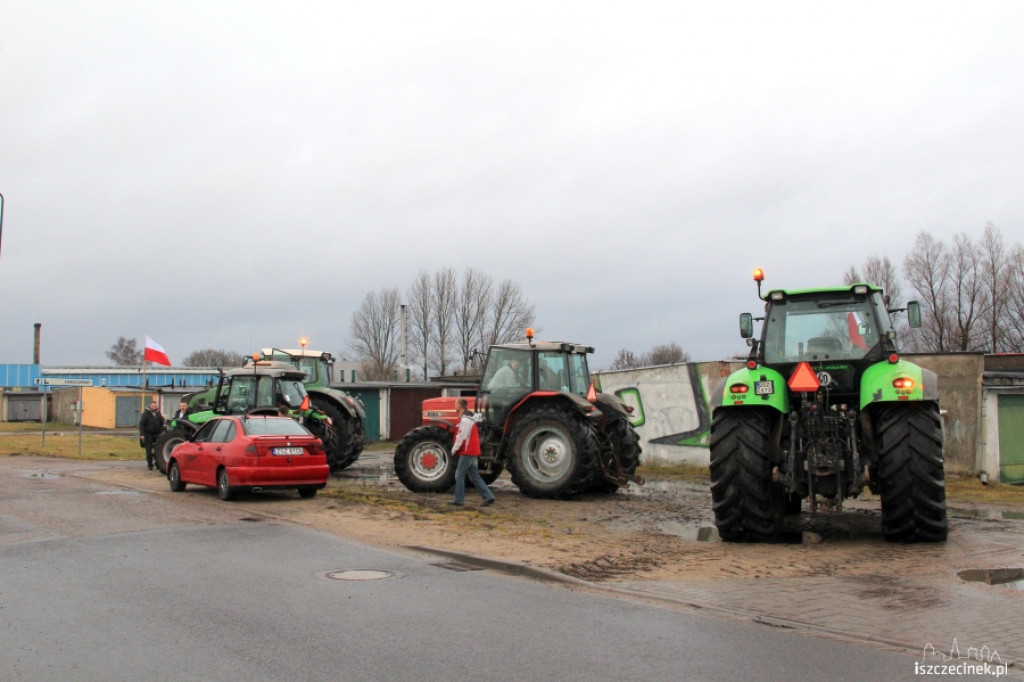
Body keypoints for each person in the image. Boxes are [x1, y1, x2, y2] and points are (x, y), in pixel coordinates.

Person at [448, 398, 495, 508]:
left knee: (459, 475)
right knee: (475, 476)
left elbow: (461, 438)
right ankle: (488, 497)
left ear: (460, 406)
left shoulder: (465, 421)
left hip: (467, 451)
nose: (454, 405)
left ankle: (459, 500)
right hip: (474, 451)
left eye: (456, 404)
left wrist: (453, 450)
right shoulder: (471, 418)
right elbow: (481, 418)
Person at [138, 399, 164, 470]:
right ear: (150, 406)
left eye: (155, 406)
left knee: (158, 450)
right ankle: (150, 464)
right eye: (153, 406)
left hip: (157, 434)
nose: (154, 407)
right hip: (148, 434)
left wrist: (162, 432)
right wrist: (142, 434)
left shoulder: (158, 413)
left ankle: (158, 463)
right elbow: (142, 425)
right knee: (148, 450)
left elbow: (162, 423)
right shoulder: (146, 414)